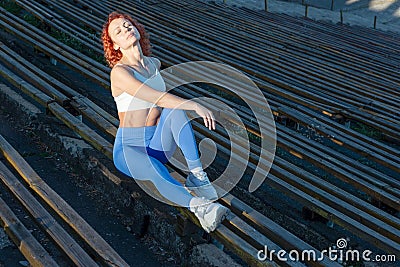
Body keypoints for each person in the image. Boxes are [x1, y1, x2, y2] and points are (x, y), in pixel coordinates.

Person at [101, 11, 229, 233]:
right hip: (130, 149)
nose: (125, 30)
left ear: (136, 28)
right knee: (155, 170)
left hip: (158, 143)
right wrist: (194, 104)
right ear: (116, 46)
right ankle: (201, 209)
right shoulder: (120, 73)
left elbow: (165, 105)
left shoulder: (153, 64)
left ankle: (198, 177)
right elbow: (154, 97)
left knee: (174, 110)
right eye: (118, 32)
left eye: (127, 24)